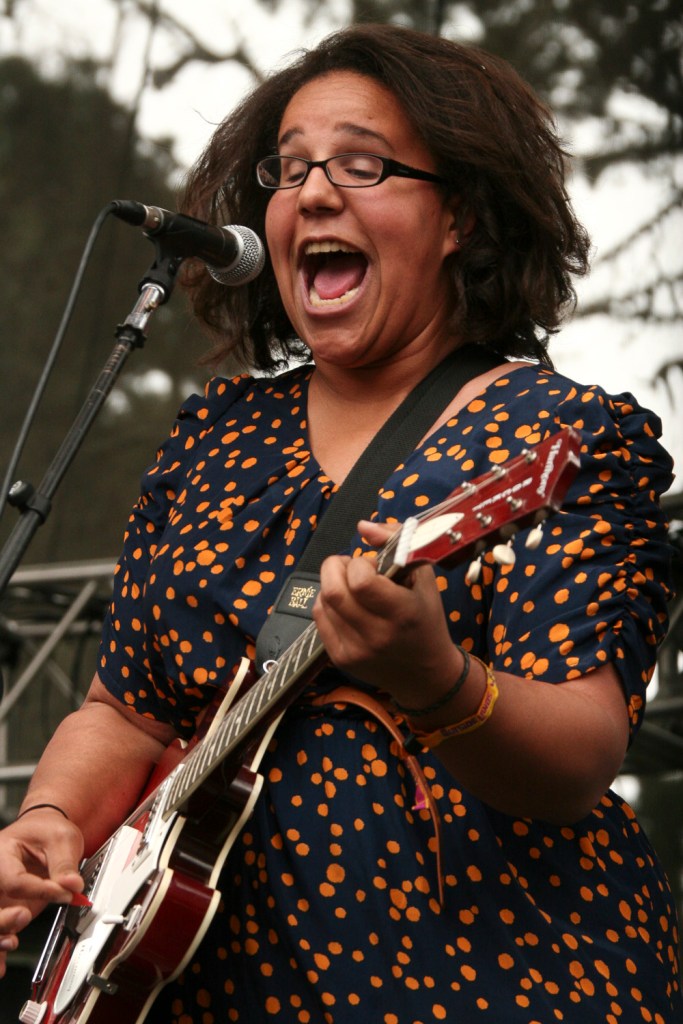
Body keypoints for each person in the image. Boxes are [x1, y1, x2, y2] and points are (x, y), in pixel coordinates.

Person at [0, 22, 680, 1023]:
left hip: (482, 986)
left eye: (362, 164)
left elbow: (581, 757)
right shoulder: (214, 442)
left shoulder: (558, 440)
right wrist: (45, 823)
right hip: (203, 991)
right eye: (288, 168)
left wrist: (436, 678)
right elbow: (124, 709)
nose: (313, 192)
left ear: (462, 216)